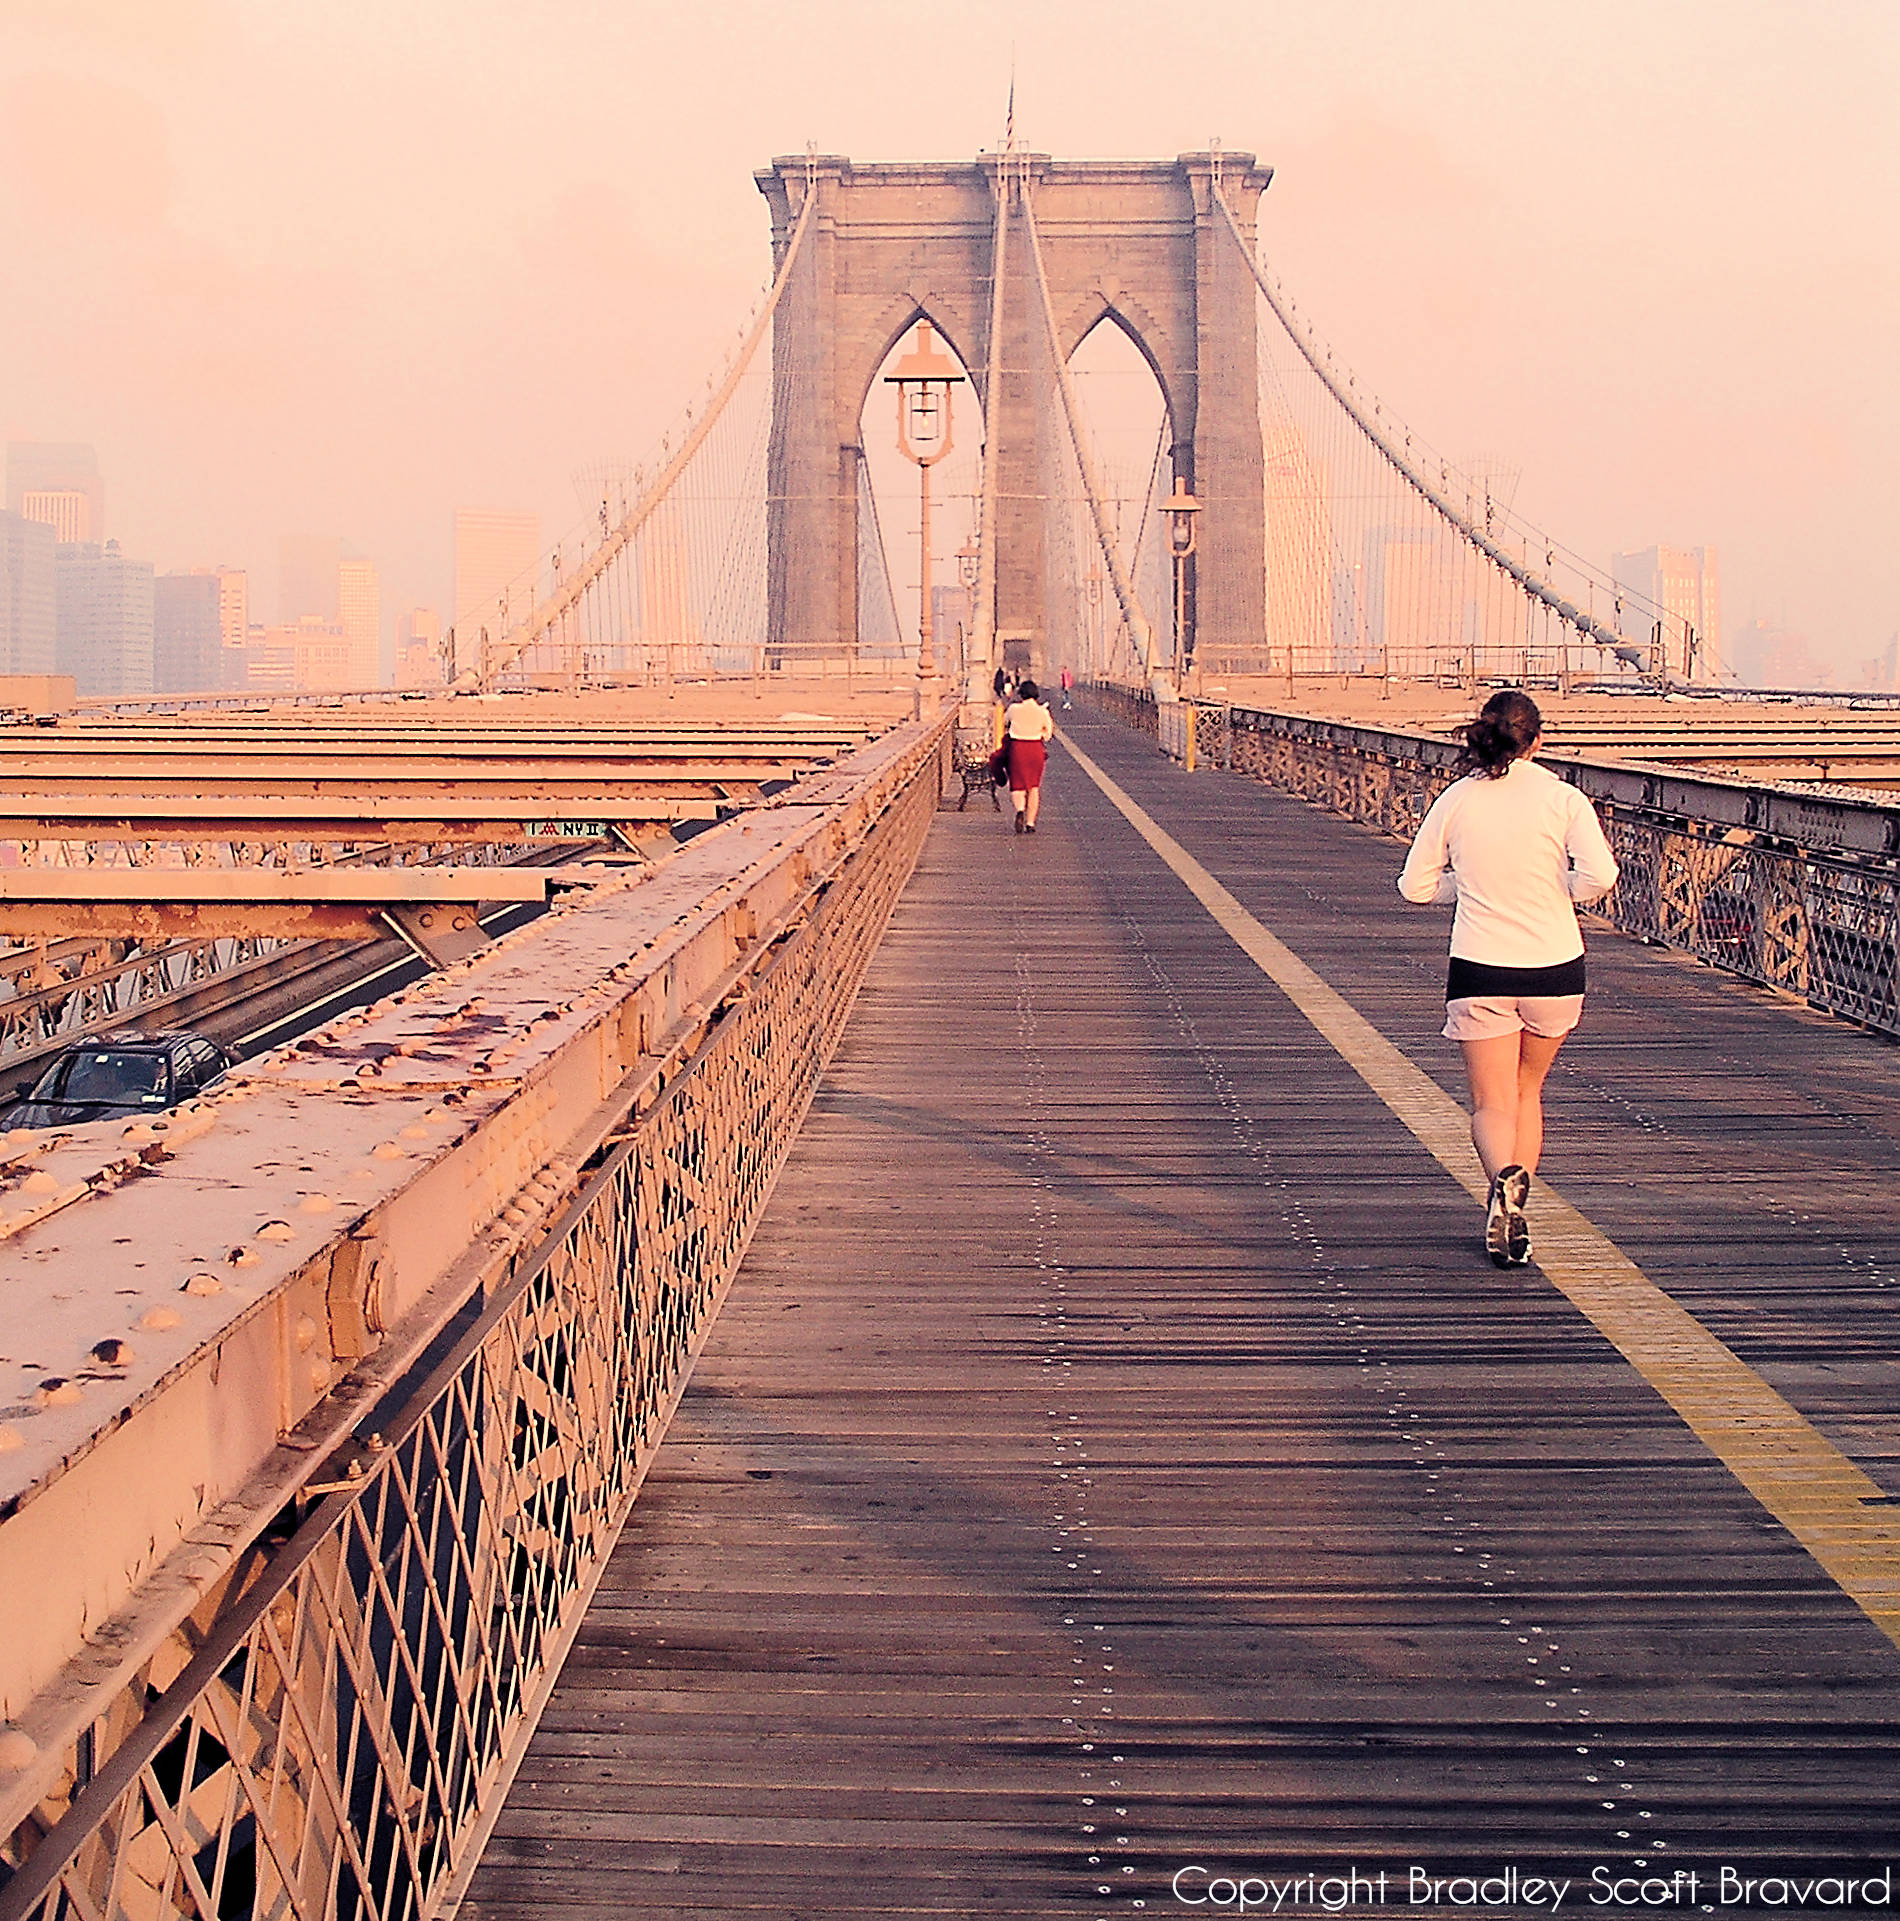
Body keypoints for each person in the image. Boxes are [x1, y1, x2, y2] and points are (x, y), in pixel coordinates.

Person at [1397, 690, 1618, 1267]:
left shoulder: (1456, 801)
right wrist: (1554, 888)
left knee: (1490, 1101)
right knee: (1527, 1090)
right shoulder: (1563, 798)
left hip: (1481, 967)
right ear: (1537, 740)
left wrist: (1463, 887)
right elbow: (1599, 875)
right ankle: (1519, 1203)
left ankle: (1503, 1179)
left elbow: (1415, 887)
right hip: (1556, 967)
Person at [1003, 677, 1056, 835]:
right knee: (1033, 787)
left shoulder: (1013, 709)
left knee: (1017, 784)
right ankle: (1030, 823)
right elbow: (1048, 734)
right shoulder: (1042, 711)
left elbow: (1005, 722)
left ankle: (1020, 809)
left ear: (1021, 694)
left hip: (1017, 748)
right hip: (1035, 750)